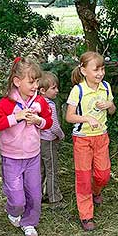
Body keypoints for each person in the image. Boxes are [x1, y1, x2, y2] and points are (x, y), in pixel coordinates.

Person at [0, 57, 53, 236]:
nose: (35, 86)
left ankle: (29, 222)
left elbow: (48, 122)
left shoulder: (40, 101)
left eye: (37, 81)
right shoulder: (6, 103)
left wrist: (38, 121)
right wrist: (15, 117)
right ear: (17, 81)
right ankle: (13, 210)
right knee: (17, 198)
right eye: (31, 82)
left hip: (33, 156)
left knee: (35, 193)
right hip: (11, 157)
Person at [65, 51, 116, 231]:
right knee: (84, 178)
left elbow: (112, 110)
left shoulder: (106, 87)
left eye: (102, 69)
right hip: (82, 140)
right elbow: (69, 117)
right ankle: (86, 215)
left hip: (102, 137)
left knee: (103, 174)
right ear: (84, 71)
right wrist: (86, 119)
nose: (100, 73)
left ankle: (96, 191)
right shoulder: (78, 90)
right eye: (96, 69)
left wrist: (110, 105)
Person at [38, 71, 66, 209]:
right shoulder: (50, 105)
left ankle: (37, 197)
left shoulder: (36, 102)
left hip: (37, 142)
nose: (57, 90)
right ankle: (54, 198)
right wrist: (61, 135)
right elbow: (54, 126)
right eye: (53, 88)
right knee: (52, 169)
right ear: (43, 90)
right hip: (48, 141)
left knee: (40, 170)